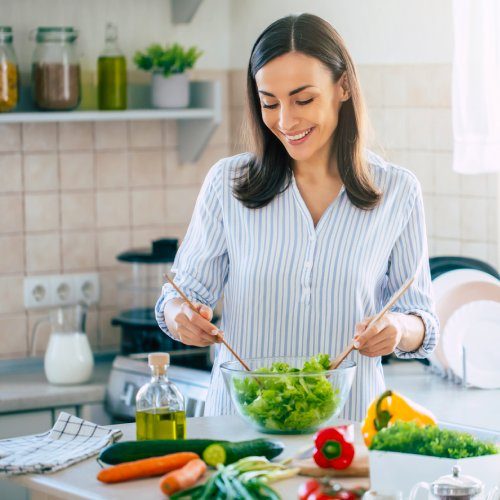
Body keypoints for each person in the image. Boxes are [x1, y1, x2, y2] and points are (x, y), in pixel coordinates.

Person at [155, 13, 438, 421]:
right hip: (240, 432)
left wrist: (399, 329)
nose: (286, 122)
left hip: (346, 436)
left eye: (303, 100)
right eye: (270, 103)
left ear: (343, 87)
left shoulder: (398, 192)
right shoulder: (227, 183)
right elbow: (178, 297)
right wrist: (181, 317)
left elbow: (423, 321)